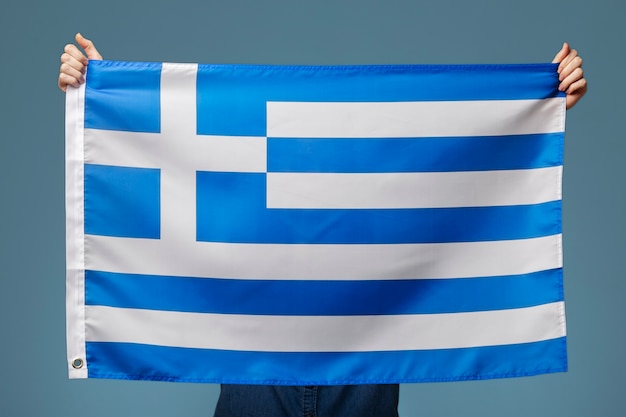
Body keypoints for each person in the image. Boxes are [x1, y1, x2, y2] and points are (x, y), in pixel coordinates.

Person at [58, 33, 587, 417]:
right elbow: (167, 164)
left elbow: (462, 170)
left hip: (365, 389)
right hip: (252, 393)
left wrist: (546, 101)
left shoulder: (389, 216)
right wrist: (108, 97)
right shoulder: (239, 219)